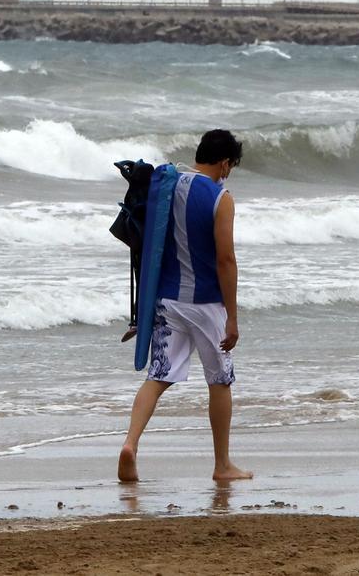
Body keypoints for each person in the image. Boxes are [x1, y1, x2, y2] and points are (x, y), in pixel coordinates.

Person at [118, 129, 252, 482]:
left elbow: (148, 246)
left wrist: (141, 312)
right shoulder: (221, 197)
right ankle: (222, 465)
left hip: (168, 301)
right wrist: (233, 318)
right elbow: (226, 259)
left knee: (158, 377)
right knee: (220, 381)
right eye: (231, 165)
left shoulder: (166, 185)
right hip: (207, 304)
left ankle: (130, 444)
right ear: (224, 162)